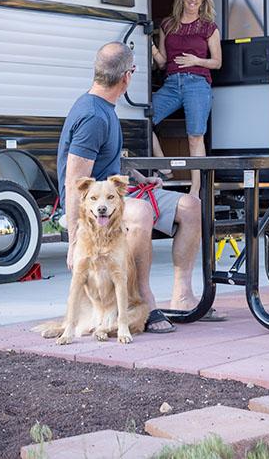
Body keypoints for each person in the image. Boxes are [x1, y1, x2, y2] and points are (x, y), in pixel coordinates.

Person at [57, 42, 222, 333]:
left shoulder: (105, 107)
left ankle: (182, 296)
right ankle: (140, 298)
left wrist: (139, 178)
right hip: (98, 206)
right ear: (127, 76)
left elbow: (110, 161)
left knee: (191, 207)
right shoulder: (93, 116)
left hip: (118, 192)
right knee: (142, 212)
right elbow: (75, 184)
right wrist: (74, 242)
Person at [151, 0, 222, 195]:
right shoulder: (168, 24)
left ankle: (196, 189)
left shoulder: (208, 27)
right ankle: (164, 165)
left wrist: (196, 61)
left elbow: (217, 62)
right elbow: (162, 61)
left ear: (203, 1)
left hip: (197, 84)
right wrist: (150, 46)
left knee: (195, 136)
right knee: (143, 120)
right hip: (172, 83)